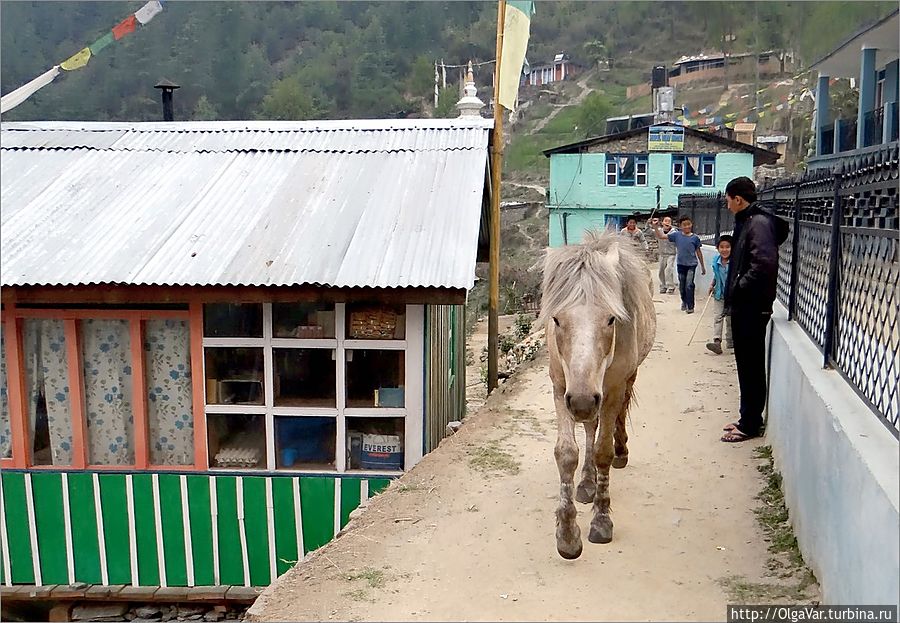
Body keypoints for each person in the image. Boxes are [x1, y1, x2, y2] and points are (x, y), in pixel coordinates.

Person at [721, 177, 789, 443]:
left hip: (751, 306)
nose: (726, 206)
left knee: (751, 366)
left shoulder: (758, 224)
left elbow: (763, 265)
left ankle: (750, 424)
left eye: (728, 200)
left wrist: (739, 287)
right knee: (745, 364)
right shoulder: (747, 221)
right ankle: (746, 417)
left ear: (738, 199)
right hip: (745, 306)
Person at [652, 215, 705, 313]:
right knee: (682, 286)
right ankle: (684, 301)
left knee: (689, 284)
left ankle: (690, 306)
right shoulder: (676, 235)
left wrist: (702, 266)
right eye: (684, 225)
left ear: (691, 224)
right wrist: (655, 227)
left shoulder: (695, 238)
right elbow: (661, 236)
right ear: (680, 226)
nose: (687, 227)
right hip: (681, 265)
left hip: (692, 265)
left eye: (688, 224)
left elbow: (699, 252)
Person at [706, 235, 734, 354]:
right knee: (718, 317)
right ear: (717, 248)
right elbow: (717, 276)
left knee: (730, 319)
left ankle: (731, 342)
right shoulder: (716, 261)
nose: (724, 250)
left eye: (728, 247)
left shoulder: (735, 262)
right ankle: (717, 341)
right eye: (721, 247)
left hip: (732, 296)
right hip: (719, 294)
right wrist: (712, 285)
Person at [655, 215, 677, 294]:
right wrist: (651, 224)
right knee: (661, 270)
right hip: (662, 254)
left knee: (668, 270)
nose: (667, 223)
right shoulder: (659, 231)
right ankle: (663, 286)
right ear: (662, 222)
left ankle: (670, 286)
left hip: (671, 254)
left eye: (669, 221)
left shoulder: (674, 232)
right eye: (666, 221)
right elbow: (648, 231)